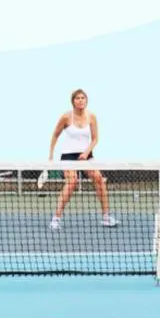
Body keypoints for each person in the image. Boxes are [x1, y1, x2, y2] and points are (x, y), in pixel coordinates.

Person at [47, 89, 118, 230]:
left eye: (83, 98)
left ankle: (105, 217)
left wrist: (86, 153)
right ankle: (56, 219)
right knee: (72, 182)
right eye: (78, 98)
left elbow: (95, 138)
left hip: (86, 155)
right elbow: (55, 135)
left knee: (98, 178)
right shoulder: (66, 117)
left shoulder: (91, 117)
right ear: (73, 101)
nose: (81, 100)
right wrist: (50, 156)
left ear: (86, 100)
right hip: (68, 155)